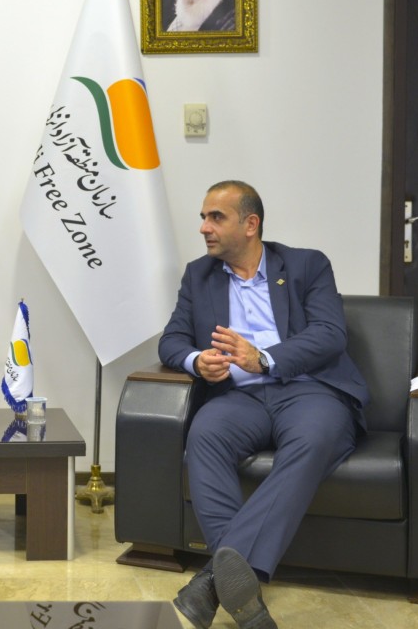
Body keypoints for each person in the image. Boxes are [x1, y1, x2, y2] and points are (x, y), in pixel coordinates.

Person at [158, 180, 368, 629]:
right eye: (203, 217)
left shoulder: (307, 265)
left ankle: (211, 583)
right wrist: (198, 361)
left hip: (309, 391)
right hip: (240, 397)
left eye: (216, 217)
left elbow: (330, 333)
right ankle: (240, 592)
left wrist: (265, 358)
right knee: (205, 433)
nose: (204, 227)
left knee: (313, 438)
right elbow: (172, 340)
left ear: (250, 224)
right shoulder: (199, 275)